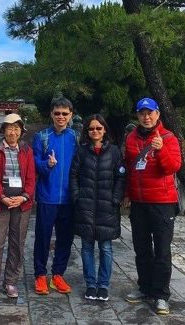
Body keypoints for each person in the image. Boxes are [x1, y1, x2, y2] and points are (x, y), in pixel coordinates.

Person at [124, 98, 181, 315]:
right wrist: (127, 194)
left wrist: (160, 150)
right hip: (139, 203)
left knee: (162, 251)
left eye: (150, 113)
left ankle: (161, 295)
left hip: (162, 203)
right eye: (142, 113)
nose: (146, 117)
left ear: (158, 114)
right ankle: (145, 288)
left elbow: (172, 167)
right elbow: (130, 167)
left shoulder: (168, 137)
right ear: (137, 116)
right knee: (142, 249)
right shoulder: (131, 138)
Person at [70, 114, 126, 301]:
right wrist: (77, 196)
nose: (95, 131)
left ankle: (103, 284)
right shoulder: (82, 151)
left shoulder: (114, 152)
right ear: (87, 131)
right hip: (85, 205)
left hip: (106, 206)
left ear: (104, 130)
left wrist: (116, 198)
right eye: (91, 128)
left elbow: (120, 177)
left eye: (98, 128)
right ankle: (90, 284)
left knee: (106, 248)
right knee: (86, 247)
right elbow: (74, 175)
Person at [0, 113, 36, 299]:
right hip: (0, 202)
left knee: (17, 244)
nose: (13, 132)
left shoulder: (27, 151)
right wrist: (2, 197)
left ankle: (11, 281)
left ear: (21, 131)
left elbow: (31, 177)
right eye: (9, 128)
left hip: (22, 203)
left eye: (16, 128)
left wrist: (24, 197)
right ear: (3, 131)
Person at [32, 95, 77, 295]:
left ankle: (58, 274)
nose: (60, 117)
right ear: (51, 114)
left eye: (64, 114)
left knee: (65, 238)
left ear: (70, 115)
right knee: (43, 237)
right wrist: (46, 164)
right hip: (47, 196)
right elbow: (33, 163)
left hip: (69, 197)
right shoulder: (42, 137)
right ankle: (40, 275)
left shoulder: (75, 137)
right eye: (57, 113)